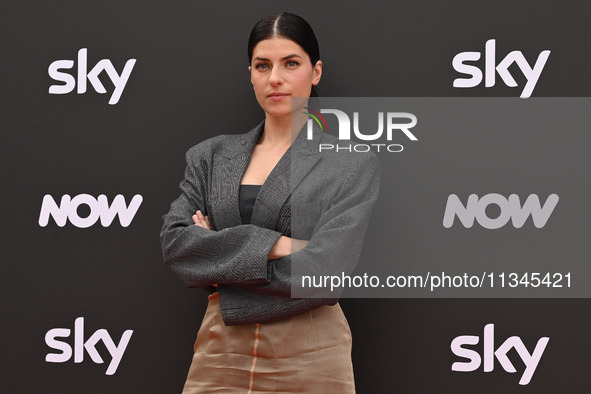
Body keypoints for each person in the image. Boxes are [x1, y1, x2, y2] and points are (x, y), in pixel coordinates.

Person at [160, 12, 379, 393]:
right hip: (220, 348)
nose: (274, 78)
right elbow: (178, 246)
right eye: (263, 65)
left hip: (313, 349)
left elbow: (325, 272)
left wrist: (220, 261)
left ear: (316, 72)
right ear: (251, 74)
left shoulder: (352, 163)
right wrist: (279, 245)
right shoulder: (210, 156)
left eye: (290, 63)